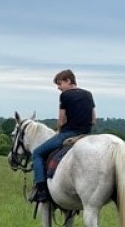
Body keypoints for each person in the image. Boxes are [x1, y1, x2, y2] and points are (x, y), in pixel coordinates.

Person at [29, 69, 96, 202]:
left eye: (59, 84)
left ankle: (41, 190)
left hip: (69, 134)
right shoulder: (88, 94)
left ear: (68, 81)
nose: (59, 88)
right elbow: (93, 119)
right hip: (86, 134)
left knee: (37, 153)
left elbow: (61, 120)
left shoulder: (65, 96)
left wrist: (59, 130)